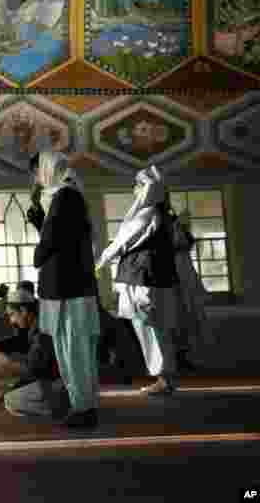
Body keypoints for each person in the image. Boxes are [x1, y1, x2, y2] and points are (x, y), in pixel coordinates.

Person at [26, 151, 100, 428]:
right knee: (73, 348)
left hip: (67, 288)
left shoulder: (65, 196)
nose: (36, 179)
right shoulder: (68, 196)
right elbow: (57, 235)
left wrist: (37, 252)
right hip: (70, 285)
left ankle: (84, 407)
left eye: (36, 172)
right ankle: (84, 404)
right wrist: (40, 223)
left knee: (73, 350)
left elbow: (50, 241)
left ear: (45, 170)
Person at [97, 167, 180, 396]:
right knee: (159, 328)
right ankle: (166, 378)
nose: (135, 190)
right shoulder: (165, 215)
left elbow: (122, 242)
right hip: (157, 279)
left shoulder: (147, 214)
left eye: (138, 186)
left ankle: (163, 379)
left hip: (143, 280)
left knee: (149, 328)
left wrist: (99, 262)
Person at [0, 291, 69, 420]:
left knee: (11, 401)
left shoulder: (41, 332)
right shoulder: (41, 325)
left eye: (12, 315)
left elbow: (35, 370)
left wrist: (7, 366)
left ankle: (62, 411)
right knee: (13, 394)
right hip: (66, 384)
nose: (12, 321)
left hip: (62, 386)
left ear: (23, 310)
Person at [168, 203, 208, 371]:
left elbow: (187, 244)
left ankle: (185, 356)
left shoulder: (181, 232)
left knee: (187, 315)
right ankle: (178, 356)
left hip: (184, 276)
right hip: (173, 277)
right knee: (175, 316)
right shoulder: (166, 232)